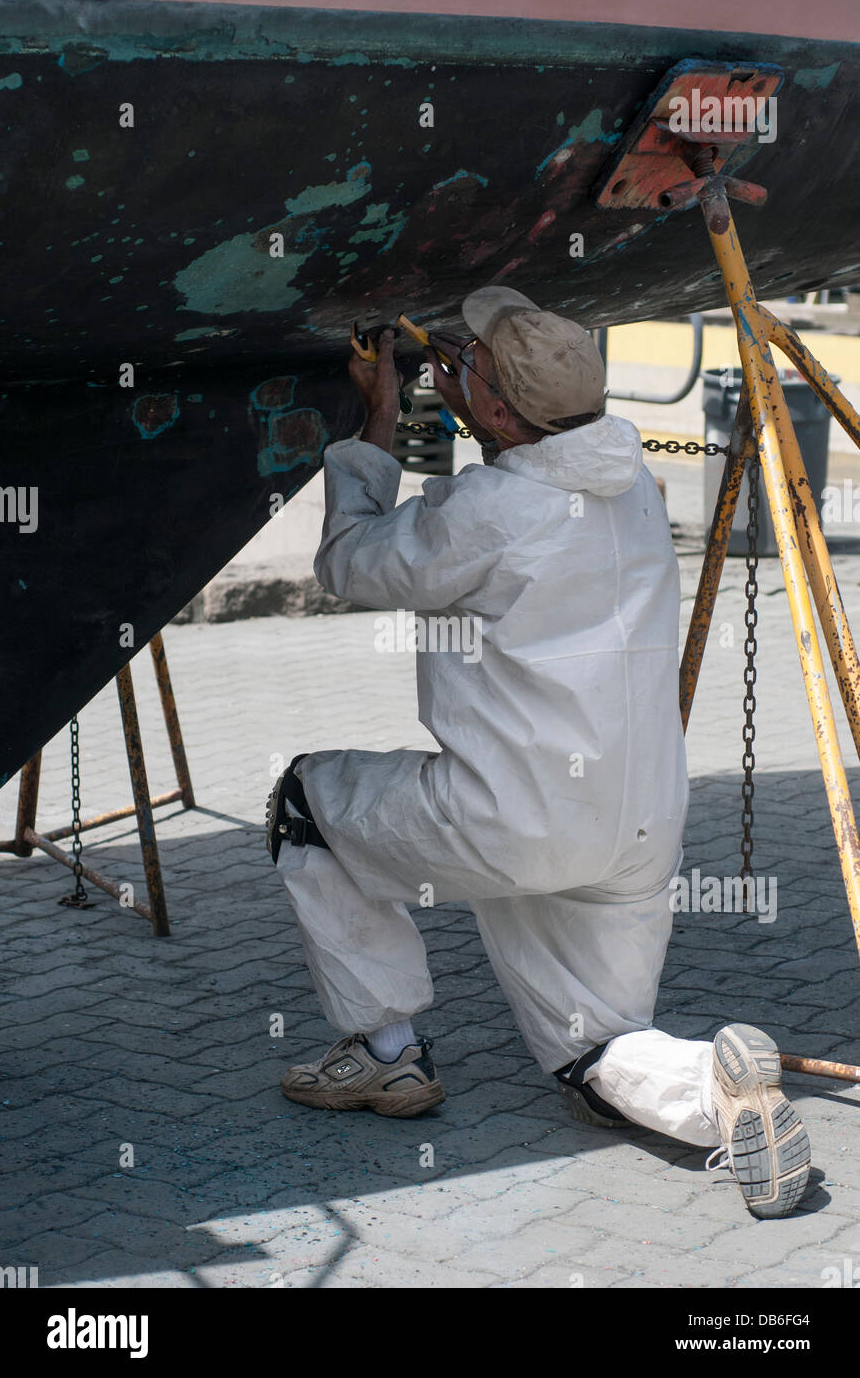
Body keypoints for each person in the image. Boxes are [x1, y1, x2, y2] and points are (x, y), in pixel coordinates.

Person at [266, 286, 810, 1220]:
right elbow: (523, 463)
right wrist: (471, 397)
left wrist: (382, 416)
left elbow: (350, 562)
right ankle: (717, 1097)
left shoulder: (495, 505)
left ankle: (386, 1054)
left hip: (514, 816)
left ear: (499, 411)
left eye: (469, 364)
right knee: (592, 1054)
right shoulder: (631, 479)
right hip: (636, 824)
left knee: (306, 802)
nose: (453, 360)